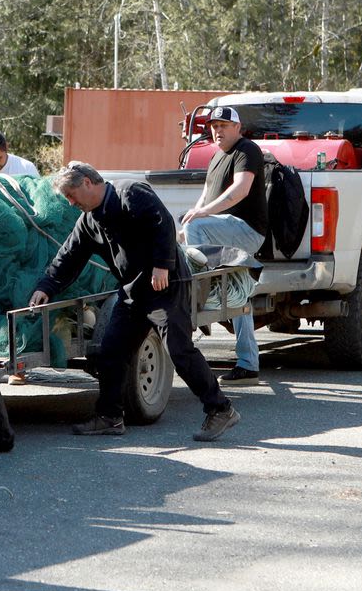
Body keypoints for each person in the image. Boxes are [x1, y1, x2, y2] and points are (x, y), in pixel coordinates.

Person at [28, 162, 239, 442]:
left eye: (71, 194)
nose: (71, 202)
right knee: (111, 351)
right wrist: (46, 287)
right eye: (67, 197)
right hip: (133, 293)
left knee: (179, 350)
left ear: (88, 182)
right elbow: (69, 257)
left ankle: (220, 409)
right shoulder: (89, 221)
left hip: (166, 285)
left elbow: (162, 222)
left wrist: (162, 265)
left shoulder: (130, 193)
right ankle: (110, 417)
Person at [180, 106, 267, 385]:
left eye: (223, 125)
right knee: (237, 293)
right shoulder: (217, 156)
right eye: (214, 125)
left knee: (197, 225)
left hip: (247, 231)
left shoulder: (247, 150)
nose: (217, 130)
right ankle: (248, 365)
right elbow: (204, 198)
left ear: (237, 128)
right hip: (225, 232)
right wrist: (190, 221)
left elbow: (240, 190)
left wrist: (201, 218)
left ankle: (198, 294)